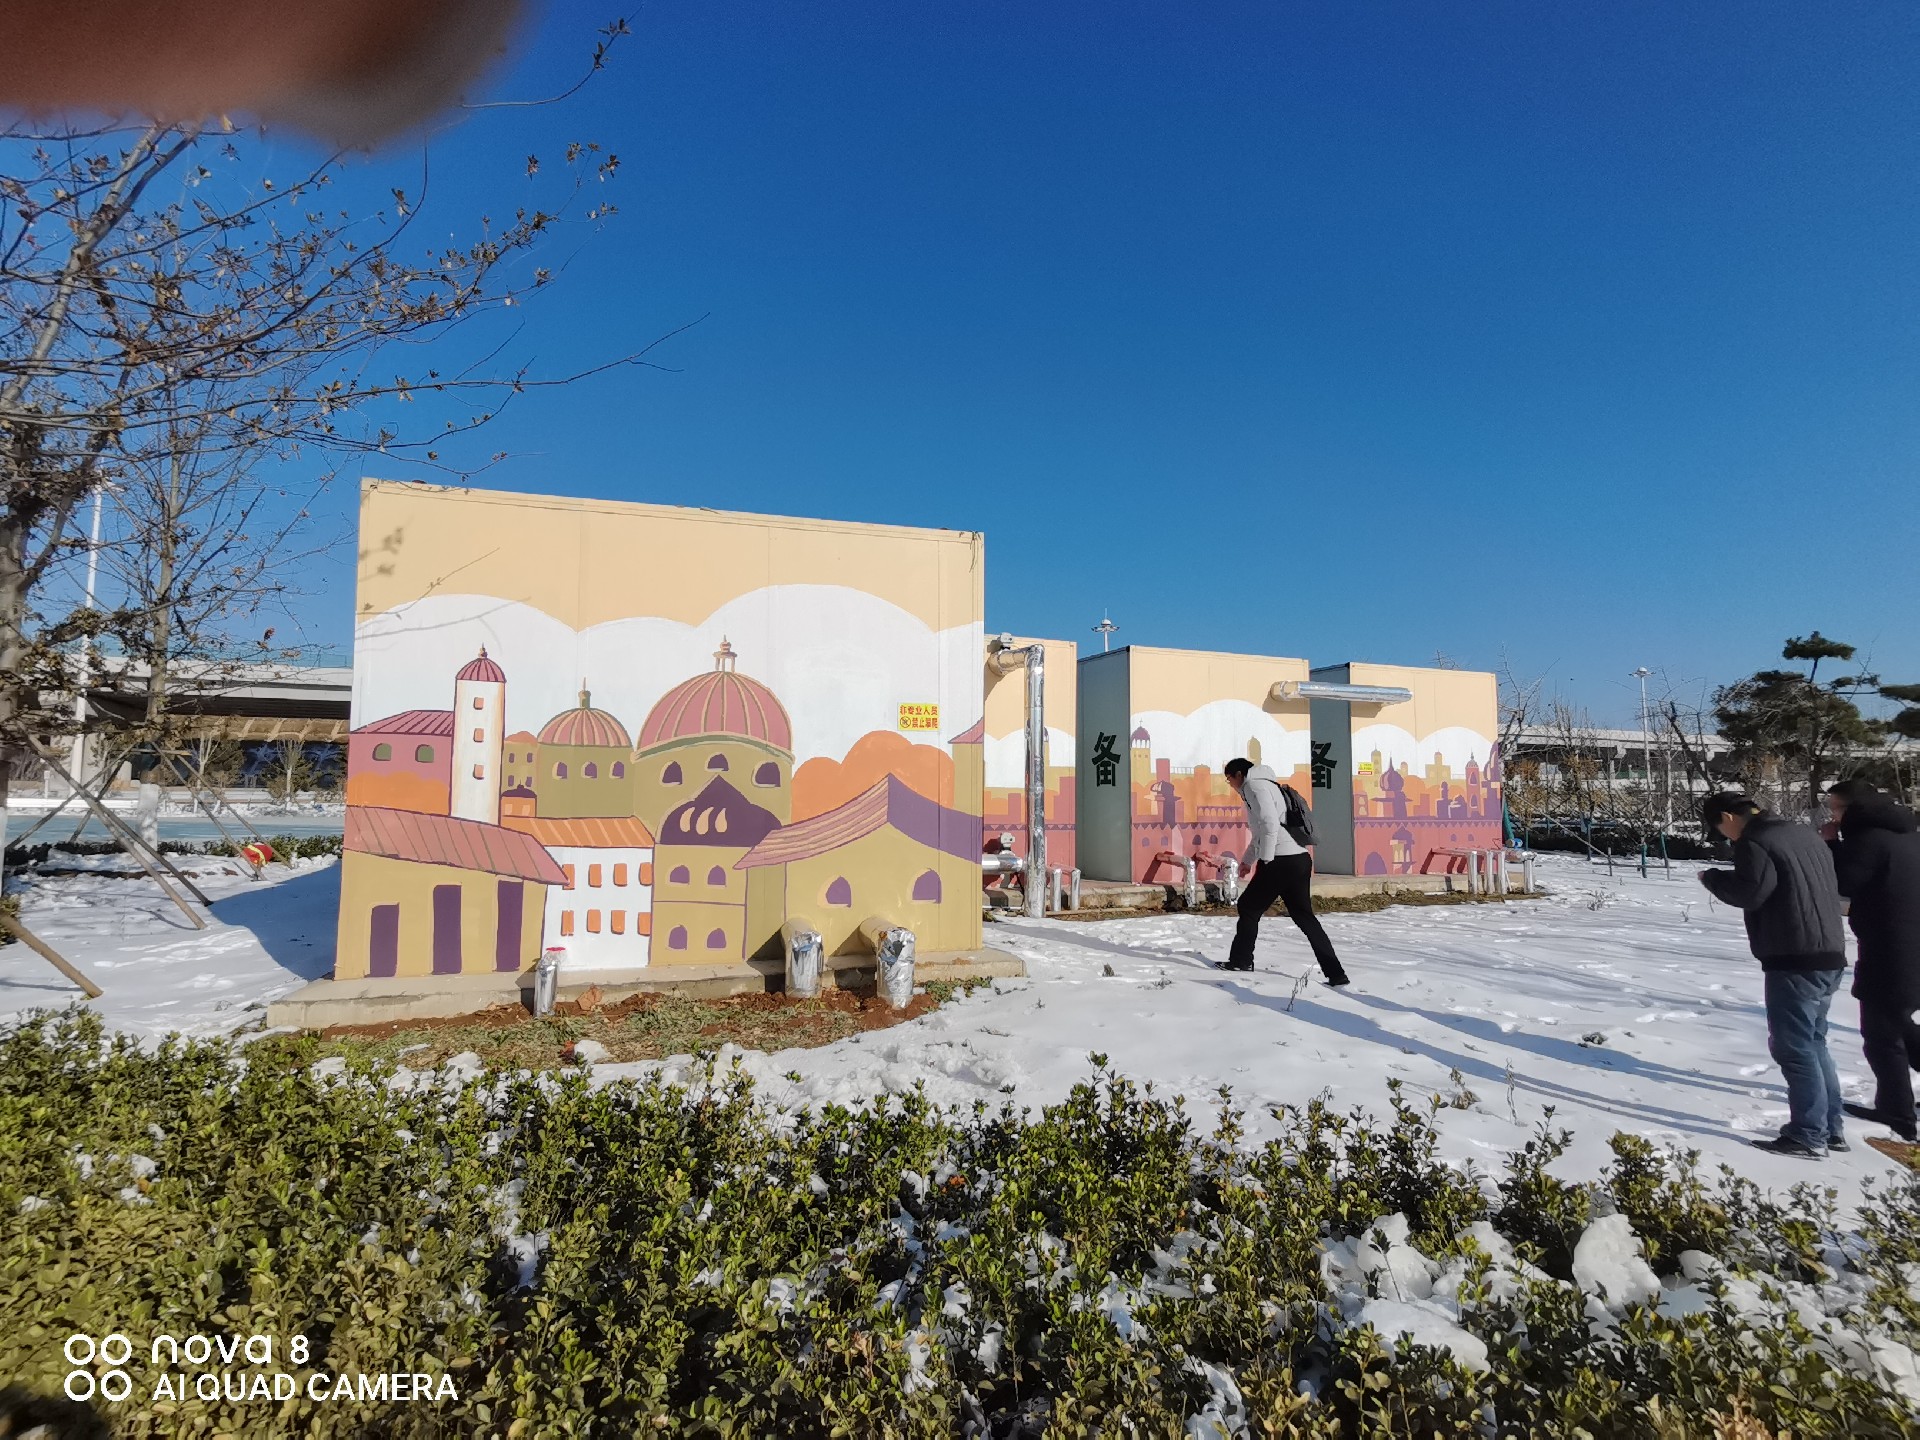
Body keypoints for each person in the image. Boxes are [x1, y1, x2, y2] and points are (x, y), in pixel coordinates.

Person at [1697, 793, 1848, 1158]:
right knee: (1815, 1043)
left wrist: (1713, 878)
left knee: (1794, 1049)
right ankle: (1831, 1130)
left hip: (1793, 956)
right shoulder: (1804, 834)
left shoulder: (1756, 842)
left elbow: (1751, 892)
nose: (1726, 839)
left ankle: (1808, 1135)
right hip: (1828, 952)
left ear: (1728, 816)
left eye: (1719, 831)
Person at [1823, 779, 1920, 1143]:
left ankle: (1898, 1113)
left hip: (1890, 947)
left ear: (1851, 809)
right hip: (1909, 945)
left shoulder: (1869, 839)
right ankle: (1896, 1106)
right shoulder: (1909, 834)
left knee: (1881, 1034)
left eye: (1835, 808)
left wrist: (1831, 844)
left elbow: (1843, 882)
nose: (1831, 814)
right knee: (1898, 1023)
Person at [1215, 758, 1349, 985]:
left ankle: (1241, 960)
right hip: (1299, 858)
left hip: (1281, 859)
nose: (1231, 785)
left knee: (1248, 906)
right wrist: (1248, 860)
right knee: (1304, 916)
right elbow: (1261, 831)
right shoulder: (1268, 785)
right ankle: (1336, 973)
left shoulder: (1254, 786)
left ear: (1239, 774)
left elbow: (1269, 824)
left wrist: (1266, 859)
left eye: (1229, 779)